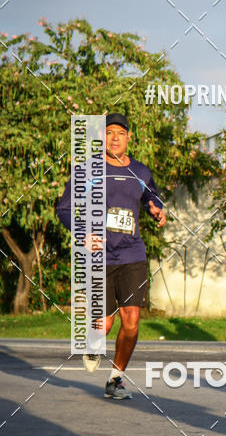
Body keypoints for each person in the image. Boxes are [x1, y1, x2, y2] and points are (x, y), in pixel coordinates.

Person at [57, 112, 166, 399]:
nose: (114, 137)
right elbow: (65, 209)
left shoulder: (141, 172)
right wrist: (82, 233)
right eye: (108, 133)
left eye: (120, 132)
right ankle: (93, 343)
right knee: (103, 324)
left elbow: (152, 197)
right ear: (101, 138)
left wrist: (156, 208)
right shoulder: (87, 169)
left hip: (132, 254)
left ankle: (116, 378)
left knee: (131, 322)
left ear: (129, 137)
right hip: (99, 257)